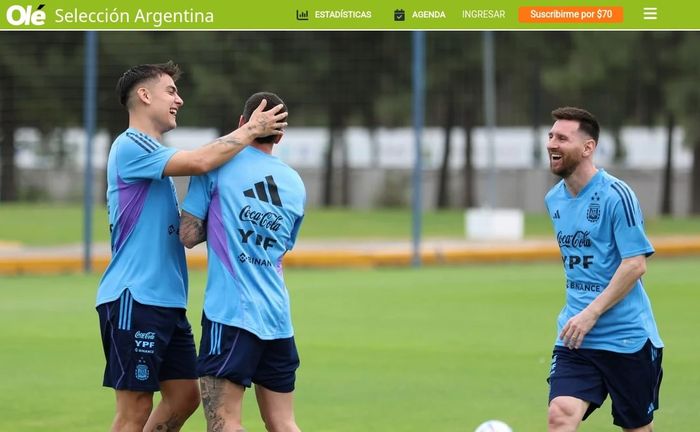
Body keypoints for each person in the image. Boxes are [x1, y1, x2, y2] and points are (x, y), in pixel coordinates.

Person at [96, 61, 288, 432]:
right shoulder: (130, 145)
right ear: (144, 95)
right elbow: (201, 161)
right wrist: (251, 130)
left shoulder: (152, 152)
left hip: (167, 302)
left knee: (185, 396)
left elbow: (189, 228)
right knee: (134, 409)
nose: (179, 100)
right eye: (170, 91)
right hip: (134, 298)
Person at [179, 91, 305, 432]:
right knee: (283, 421)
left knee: (224, 422)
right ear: (280, 135)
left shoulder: (216, 164)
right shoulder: (295, 183)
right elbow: (282, 245)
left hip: (231, 314)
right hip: (278, 317)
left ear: (242, 124)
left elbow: (188, 235)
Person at [544, 107, 663, 432]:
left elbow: (635, 265)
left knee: (636, 428)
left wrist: (591, 313)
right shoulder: (553, 199)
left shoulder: (616, 195)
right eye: (551, 136)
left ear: (587, 148)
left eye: (562, 138)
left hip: (628, 339)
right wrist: (581, 316)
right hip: (575, 337)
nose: (552, 143)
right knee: (560, 414)